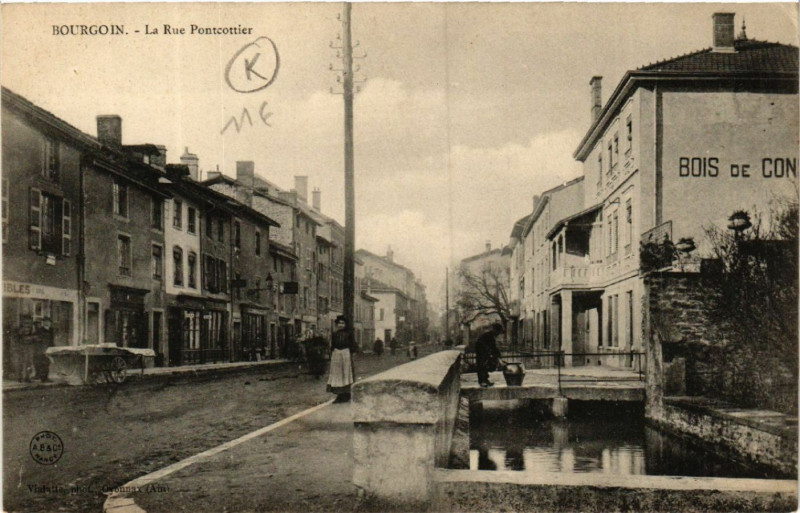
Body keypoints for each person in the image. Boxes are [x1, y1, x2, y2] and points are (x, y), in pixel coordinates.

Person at [327, 315, 355, 402]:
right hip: (336, 354)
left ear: (345, 324)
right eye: (339, 323)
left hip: (345, 353)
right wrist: (332, 353)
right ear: (337, 324)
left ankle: (347, 394)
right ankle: (339, 395)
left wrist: (352, 353)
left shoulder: (349, 334)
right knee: (337, 374)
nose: (341, 325)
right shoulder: (334, 334)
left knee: (346, 373)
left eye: (343, 323)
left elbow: (352, 345)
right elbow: (333, 345)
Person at [475, 323, 504, 387]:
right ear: (495, 330)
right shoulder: (489, 336)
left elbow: (494, 348)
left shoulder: (491, 336)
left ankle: (485, 380)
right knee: (482, 365)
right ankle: (482, 381)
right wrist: (497, 356)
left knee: (485, 365)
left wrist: (498, 356)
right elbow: (493, 347)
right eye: (498, 332)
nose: (498, 334)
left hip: (484, 350)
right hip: (481, 350)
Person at [34, 317, 54, 382]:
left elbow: (52, 340)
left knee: (47, 363)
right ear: (44, 322)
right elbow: (37, 340)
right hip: (41, 349)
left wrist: (53, 348)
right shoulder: (40, 330)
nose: (47, 323)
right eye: (46, 321)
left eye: (49, 322)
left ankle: (45, 377)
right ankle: (43, 378)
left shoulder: (51, 330)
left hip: (49, 348)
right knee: (43, 363)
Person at [17, 317, 36, 383]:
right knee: (23, 362)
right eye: (26, 322)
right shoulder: (20, 329)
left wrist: (32, 338)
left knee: (29, 362)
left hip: (30, 347)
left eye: (28, 322)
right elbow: (20, 337)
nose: (27, 324)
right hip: (23, 347)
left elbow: (34, 337)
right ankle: (21, 377)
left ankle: (27, 377)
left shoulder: (32, 329)